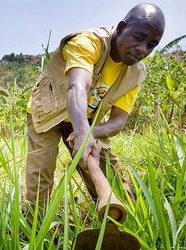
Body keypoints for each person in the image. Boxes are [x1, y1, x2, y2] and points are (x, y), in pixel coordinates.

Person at [25, 3, 165, 219]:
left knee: (107, 169)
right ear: (120, 28)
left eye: (151, 45)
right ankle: (36, 224)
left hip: (86, 119)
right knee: (42, 168)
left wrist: (89, 133)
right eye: (138, 38)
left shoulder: (137, 73)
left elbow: (118, 121)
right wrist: (82, 131)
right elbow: (77, 87)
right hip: (48, 110)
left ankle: (119, 216)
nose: (143, 49)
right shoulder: (88, 42)